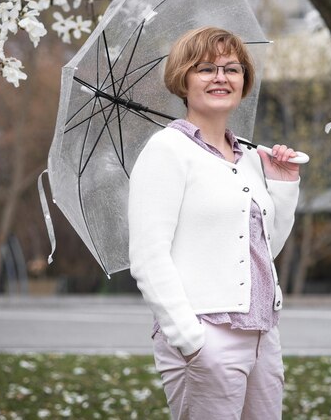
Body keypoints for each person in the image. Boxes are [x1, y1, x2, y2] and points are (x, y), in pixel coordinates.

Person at [128, 26, 300, 419]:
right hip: (206, 336)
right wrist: (190, 340)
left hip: (261, 335)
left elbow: (263, 251)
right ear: (182, 80)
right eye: (205, 68)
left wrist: (284, 186)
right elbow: (148, 257)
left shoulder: (250, 158)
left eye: (232, 69)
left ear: (244, 81)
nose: (221, 77)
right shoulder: (167, 151)